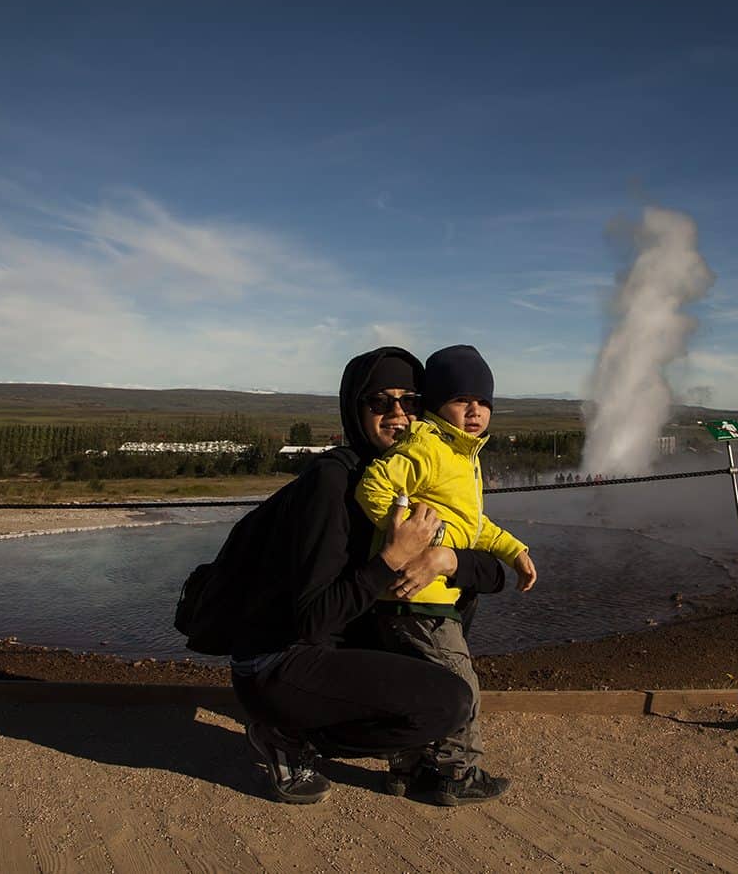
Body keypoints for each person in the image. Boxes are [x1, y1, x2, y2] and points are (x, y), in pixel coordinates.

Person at [227, 346, 506, 805]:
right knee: (446, 702)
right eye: (380, 402)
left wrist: (445, 560)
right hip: (280, 659)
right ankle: (290, 737)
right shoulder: (333, 483)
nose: (398, 413)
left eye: (410, 401)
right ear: (355, 409)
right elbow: (312, 620)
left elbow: (490, 572)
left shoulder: (412, 474)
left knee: (450, 602)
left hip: (335, 640)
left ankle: (413, 758)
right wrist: (392, 558)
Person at [355, 344, 538, 806]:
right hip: (423, 599)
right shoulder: (429, 446)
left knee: (412, 685)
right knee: (460, 684)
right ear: (437, 406)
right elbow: (373, 487)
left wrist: (514, 550)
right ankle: (459, 773)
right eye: (462, 400)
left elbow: (473, 527)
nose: (475, 410)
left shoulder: (462, 456)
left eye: (484, 402)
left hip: (415, 598)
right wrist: (406, 537)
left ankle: (407, 769)